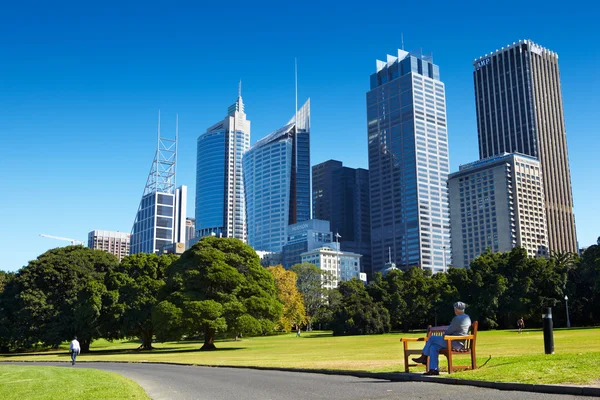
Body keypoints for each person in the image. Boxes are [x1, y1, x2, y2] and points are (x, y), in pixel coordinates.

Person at [411, 302, 472, 376]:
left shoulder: (457, 318)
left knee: (432, 338)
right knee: (433, 347)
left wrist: (444, 335)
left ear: (456, 309)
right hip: (458, 343)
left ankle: (424, 356)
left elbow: (449, 331)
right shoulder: (467, 317)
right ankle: (434, 370)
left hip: (453, 343)